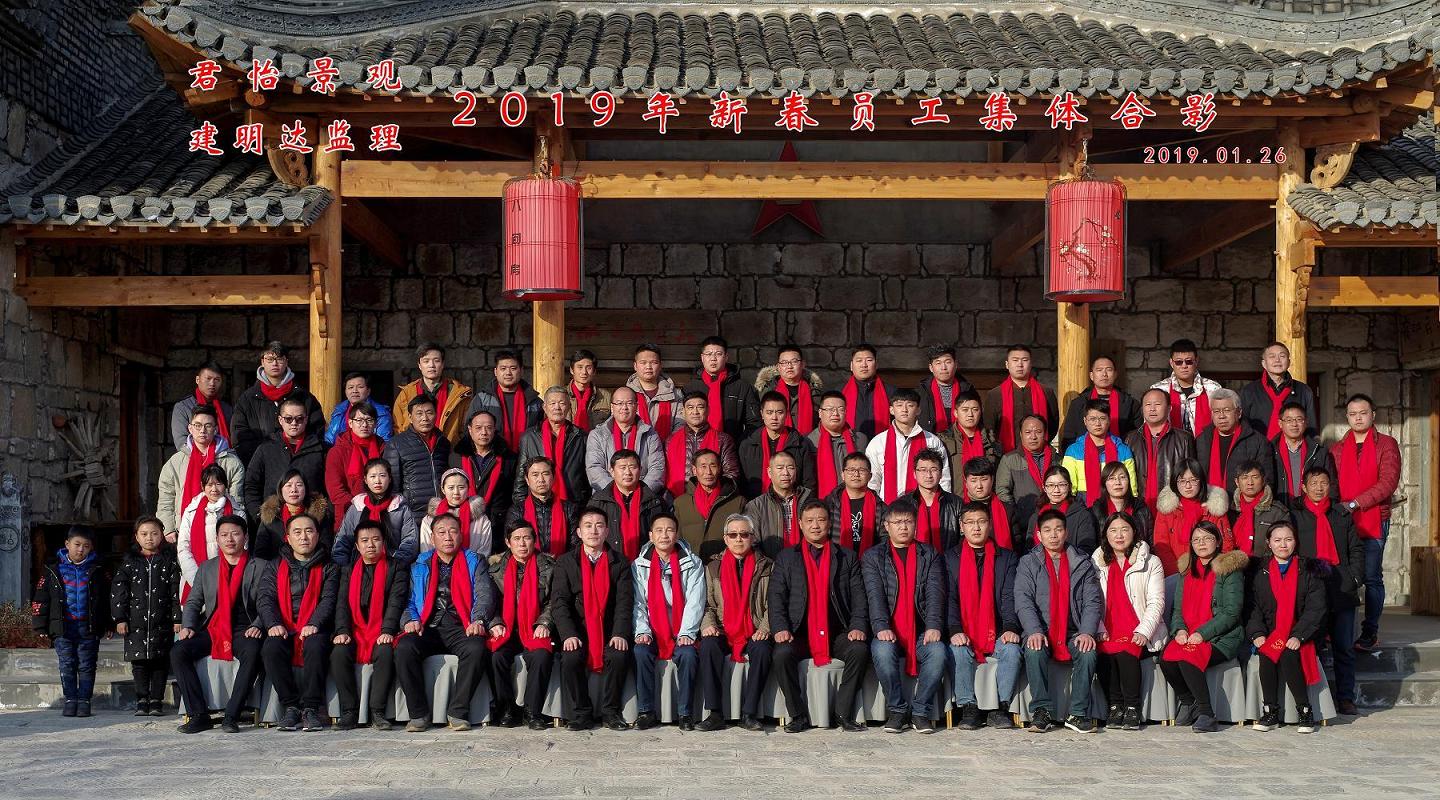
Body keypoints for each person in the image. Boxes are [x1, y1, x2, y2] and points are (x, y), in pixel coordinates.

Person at [768, 500, 870, 732]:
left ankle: (842, 713)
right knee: (782, 655)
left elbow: (859, 597)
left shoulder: (846, 557)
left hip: (837, 631)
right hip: (799, 631)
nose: (815, 525)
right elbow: (776, 597)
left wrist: (857, 626)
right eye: (810, 521)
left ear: (829, 523)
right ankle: (798, 715)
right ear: (800, 524)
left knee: (859, 650)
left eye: (821, 520)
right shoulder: (786, 558)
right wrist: (780, 628)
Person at [396, 513, 498, 731]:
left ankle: (458, 712)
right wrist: (411, 620)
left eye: (453, 531)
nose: (448, 537)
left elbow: (484, 595)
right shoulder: (419, 564)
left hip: (461, 625)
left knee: (476, 648)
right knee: (404, 648)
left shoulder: (475, 560)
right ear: (432, 538)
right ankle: (418, 714)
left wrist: (478, 619)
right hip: (427, 625)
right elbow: (408, 600)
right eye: (441, 532)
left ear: (461, 535)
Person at [171, 515, 266, 733]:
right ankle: (198, 714)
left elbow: (268, 602)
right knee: (179, 651)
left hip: (245, 628)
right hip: (213, 628)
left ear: (245, 537)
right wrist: (188, 626)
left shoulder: (260, 566)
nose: (229, 539)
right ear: (217, 539)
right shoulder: (207, 568)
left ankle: (232, 715)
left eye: (235, 534)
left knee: (253, 652)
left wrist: (258, 625)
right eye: (224, 535)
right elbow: (194, 602)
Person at [1013, 509, 1102, 733]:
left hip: (1073, 631)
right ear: (1039, 535)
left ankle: (1077, 713)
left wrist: (1087, 632)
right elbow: (1023, 600)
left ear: (1066, 532)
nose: (1053, 535)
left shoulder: (1082, 562)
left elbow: (1092, 601)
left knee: (1087, 651)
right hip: (1041, 630)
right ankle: (1041, 711)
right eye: (1047, 530)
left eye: (1058, 529)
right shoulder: (1028, 563)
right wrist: (1034, 630)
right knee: (1034, 649)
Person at [862, 501, 946, 733]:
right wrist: (881, 626)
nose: (903, 527)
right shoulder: (873, 556)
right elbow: (874, 595)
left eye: (908, 521)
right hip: (888, 629)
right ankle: (897, 710)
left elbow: (935, 593)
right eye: (897, 522)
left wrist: (933, 625)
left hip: (921, 630)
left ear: (915, 524)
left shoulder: (929, 554)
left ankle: (920, 711)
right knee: (882, 651)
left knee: (938, 652)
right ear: (886, 526)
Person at [1158, 520, 1248, 733]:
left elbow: (1231, 612)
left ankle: (1207, 713)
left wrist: (1201, 633)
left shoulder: (1229, 570)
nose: (1202, 543)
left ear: (1217, 541)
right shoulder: (1186, 570)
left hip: (1222, 637)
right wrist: (1179, 629)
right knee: (1166, 658)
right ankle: (1188, 701)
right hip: (1189, 632)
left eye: (1207, 538)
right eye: (1196, 539)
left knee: (1188, 657)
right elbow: (1177, 609)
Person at [549, 508, 635, 731]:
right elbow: (559, 602)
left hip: (609, 629)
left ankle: (610, 712)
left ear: (607, 531)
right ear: (579, 532)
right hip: (578, 630)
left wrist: (619, 633)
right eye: (588, 526)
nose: (593, 531)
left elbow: (624, 603)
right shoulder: (566, 562)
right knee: (570, 658)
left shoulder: (620, 562)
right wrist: (568, 634)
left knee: (618, 655)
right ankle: (581, 713)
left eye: (599, 526)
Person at [1291, 466, 1364, 715]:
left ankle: (1345, 697)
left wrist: (1354, 578)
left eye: (1324, 483)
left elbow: (1356, 549)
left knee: (1344, 646)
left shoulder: (1341, 514)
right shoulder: (1296, 516)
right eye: (1314, 483)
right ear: (1303, 487)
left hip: (1341, 586)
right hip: (1312, 591)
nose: (1319, 488)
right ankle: (1317, 699)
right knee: (1313, 645)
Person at [944, 502, 1022, 730]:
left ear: (990, 524)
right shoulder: (950, 558)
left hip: (996, 629)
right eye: (970, 522)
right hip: (964, 629)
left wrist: (1010, 627)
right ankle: (969, 707)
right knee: (958, 650)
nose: (976, 527)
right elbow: (948, 599)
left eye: (981, 522)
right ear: (961, 527)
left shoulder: (1006, 558)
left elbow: (1009, 597)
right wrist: (955, 630)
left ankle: (1001, 708)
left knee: (1012, 650)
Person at [258, 514, 339, 732]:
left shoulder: (329, 566)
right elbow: (265, 598)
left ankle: (311, 708)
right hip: (285, 626)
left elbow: (329, 599)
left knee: (316, 644)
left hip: (316, 627)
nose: (304, 537)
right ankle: (291, 707)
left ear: (318, 535)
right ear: (288, 537)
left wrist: (315, 623)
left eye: (309, 531)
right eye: (297, 532)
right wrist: (273, 623)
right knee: (271, 647)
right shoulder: (275, 566)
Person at [1333, 394, 1400, 652]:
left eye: (1363, 413)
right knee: (1343, 575)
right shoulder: (1338, 449)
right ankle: (1338, 629)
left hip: (1373, 519)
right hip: (1344, 521)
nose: (1358, 418)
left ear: (1373, 415)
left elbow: (1388, 483)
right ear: (1347, 417)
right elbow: (1332, 484)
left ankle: (1370, 631)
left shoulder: (1387, 444)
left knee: (1371, 577)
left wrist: (1354, 504)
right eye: (1353, 414)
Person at [1245, 522, 1326, 734]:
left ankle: (1305, 711)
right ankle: (1270, 712)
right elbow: (1252, 607)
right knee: (1267, 653)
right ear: (1269, 543)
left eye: (1288, 539)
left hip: (1301, 632)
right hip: (1270, 633)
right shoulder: (1258, 571)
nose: (1283, 545)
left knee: (1289, 654)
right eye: (1277, 540)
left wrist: (1299, 635)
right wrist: (1257, 633)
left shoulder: (1309, 569)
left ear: (1295, 542)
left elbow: (1316, 608)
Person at [696, 513, 773, 732]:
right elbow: (707, 604)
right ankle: (715, 713)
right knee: (708, 646)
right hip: (723, 628)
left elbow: (774, 604)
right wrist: (708, 625)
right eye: (733, 535)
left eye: (744, 534)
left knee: (763, 650)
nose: (739, 539)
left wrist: (765, 628)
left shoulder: (767, 566)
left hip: (754, 628)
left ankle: (749, 713)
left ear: (753, 537)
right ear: (725, 538)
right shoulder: (713, 567)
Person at [329, 521, 408, 730]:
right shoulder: (348, 570)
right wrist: (342, 631)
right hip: (355, 630)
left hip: (383, 629)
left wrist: (387, 630)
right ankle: (349, 711)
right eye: (364, 540)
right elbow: (342, 604)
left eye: (375, 539)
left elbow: (396, 602)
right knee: (339, 652)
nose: (370, 545)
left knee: (385, 651)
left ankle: (377, 711)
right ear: (357, 545)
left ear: (384, 542)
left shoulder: (396, 567)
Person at [1091, 512, 1166, 731]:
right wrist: (1098, 627)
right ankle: (1115, 706)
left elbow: (1156, 602)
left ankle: (1132, 707)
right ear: (1106, 535)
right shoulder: (1096, 562)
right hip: (1107, 627)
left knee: (1126, 651)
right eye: (1113, 530)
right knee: (1104, 651)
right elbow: (1091, 601)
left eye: (1124, 529)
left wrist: (1144, 631)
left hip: (1139, 626)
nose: (1119, 535)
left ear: (1134, 532)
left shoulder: (1151, 562)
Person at [632, 513, 706, 729]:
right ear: (650, 536)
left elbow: (695, 601)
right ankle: (646, 711)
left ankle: (685, 713)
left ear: (677, 534)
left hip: (681, 628)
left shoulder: (692, 563)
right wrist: (642, 631)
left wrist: (687, 633)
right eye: (659, 530)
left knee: (688, 655)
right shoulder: (639, 565)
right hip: (653, 629)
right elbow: (638, 602)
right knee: (640, 652)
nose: (664, 535)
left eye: (670, 530)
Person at [486, 521, 557, 730]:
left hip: (534, 626)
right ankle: (507, 709)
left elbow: (555, 601)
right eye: (516, 539)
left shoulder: (549, 568)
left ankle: (532, 712)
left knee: (541, 656)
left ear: (534, 541)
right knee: (496, 656)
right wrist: (495, 623)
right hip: (507, 627)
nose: (522, 543)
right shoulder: (495, 571)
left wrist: (544, 622)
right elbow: (489, 603)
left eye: (527, 538)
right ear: (508, 542)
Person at [32, 526, 107, 718]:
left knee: (87, 664)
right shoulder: (53, 570)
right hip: (63, 628)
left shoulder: (97, 570)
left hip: (88, 627)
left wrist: (108, 624)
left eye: (86, 546)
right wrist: (40, 625)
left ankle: (84, 700)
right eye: (77, 544)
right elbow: (41, 598)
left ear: (91, 548)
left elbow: (105, 599)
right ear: (67, 544)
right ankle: (70, 699)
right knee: (67, 664)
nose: (81, 549)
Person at [111, 516, 182, 716]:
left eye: (154, 533)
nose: (149, 538)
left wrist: (177, 618)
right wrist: (120, 619)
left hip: (162, 622)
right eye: (144, 534)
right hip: (135, 623)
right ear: (136, 537)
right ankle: (142, 700)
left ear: (162, 535)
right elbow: (119, 592)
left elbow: (175, 592)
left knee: (160, 663)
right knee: (139, 663)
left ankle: (156, 701)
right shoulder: (129, 564)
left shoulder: (169, 562)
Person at [157, 404, 244, 543]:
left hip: (222, 533)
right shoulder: (176, 462)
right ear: (190, 428)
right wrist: (168, 528)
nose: (202, 430)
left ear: (216, 429)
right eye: (197, 425)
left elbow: (237, 500)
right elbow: (166, 498)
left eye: (208, 426)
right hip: (184, 531)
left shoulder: (231, 462)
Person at [231, 341, 324, 465]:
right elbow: (239, 434)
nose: (274, 363)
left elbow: (316, 431)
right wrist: (260, 459)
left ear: (286, 362)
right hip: (259, 464)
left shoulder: (303, 396)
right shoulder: (247, 398)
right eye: (270, 359)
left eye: (279, 359)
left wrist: (299, 458)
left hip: (298, 464)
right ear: (262, 362)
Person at [243, 395, 326, 520]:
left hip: (311, 520)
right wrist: (259, 516)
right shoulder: (266, 448)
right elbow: (251, 485)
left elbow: (330, 488)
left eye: (299, 419)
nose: (294, 423)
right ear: (280, 420)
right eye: (288, 419)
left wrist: (323, 517)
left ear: (306, 420)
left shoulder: (320, 449)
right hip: (273, 519)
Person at [866, 388, 950, 504]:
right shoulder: (878, 442)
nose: (904, 410)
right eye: (899, 405)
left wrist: (943, 505)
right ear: (891, 410)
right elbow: (872, 481)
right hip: (887, 508)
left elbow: (943, 478)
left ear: (918, 410)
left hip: (926, 506)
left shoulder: (932, 441)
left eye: (910, 405)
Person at [332, 458, 421, 567]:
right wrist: (345, 568)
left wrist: (395, 566)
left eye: (382, 476)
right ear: (365, 480)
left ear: (390, 478)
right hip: (358, 568)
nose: (377, 481)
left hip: (392, 567)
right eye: (372, 476)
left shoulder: (400, 508)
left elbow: (410, 541)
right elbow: (343, 541)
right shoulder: (356, 508)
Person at [1152, 459, 1232, 576]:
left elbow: (1226, 545)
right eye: (1182, 481)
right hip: (1175, 574)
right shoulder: (1167, 508)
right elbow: (1161, 545)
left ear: (1201, 480)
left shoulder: (1215, 507)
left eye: (1193, 480)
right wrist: (1177, 574)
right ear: (1175, 482)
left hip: (1209, 574)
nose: (1188, 486)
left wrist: (1210, 573)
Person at [513, 386, 591, 507]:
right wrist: (522, 507)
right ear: (544, 407)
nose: (557, 407)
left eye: (562, 403)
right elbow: (521, 478)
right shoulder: (529, 437)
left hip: (573, 503)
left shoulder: (580, 437)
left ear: (569, 407)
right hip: (538, 504)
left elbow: (586, 476)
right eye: (552, 403)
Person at [588, 449, 672, 560]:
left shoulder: (655, 502)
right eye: (622, 467)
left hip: (647, 563)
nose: (628, 472)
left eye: (632, 467)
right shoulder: (598, 502)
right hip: (610, 563)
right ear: (612, 471)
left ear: (640, 470)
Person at [1125, 388, 1197, 509]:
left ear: (1169, 408)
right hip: (1138, 506)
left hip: (1173, 506)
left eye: (1157, 404)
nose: (1152, 409)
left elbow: (1191, 476)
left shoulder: (1184, 439)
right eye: (1148, 404)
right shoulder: (1130, 439)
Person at [585, 386, 665, 496]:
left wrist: (640, 493)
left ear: (636, 406)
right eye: (619, 403)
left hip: (643, 496)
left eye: (629, 403)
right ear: (612, 407)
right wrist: (616, 493)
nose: (624, 407)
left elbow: (657, 468)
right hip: (607, 496)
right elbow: (594, 468)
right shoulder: (597, 435)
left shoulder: (650, 434)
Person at [177, 464, 242, 599]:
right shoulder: (191, 511)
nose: (214, 489)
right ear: (202, 486)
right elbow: (183, 548)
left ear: (225, 485)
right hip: (196, 580)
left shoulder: (237, 512)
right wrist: (198, 582)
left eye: (218, 484)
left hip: (230, 581)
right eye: (209, 485)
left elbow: (242, 547)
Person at [739, 390, 818, 499]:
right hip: (755, 503)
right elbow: (742, 483)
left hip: (792, 502)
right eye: (769, 412)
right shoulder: (748, 444)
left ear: (786, 414)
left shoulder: (799, 443)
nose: (774, 417)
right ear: (762, 414)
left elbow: (808, 482)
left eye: (779, 412)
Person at [683, 336, 761, 442]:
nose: (713, 358)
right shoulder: (690, 388)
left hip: (733, 446)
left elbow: (754, 423)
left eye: (718, 354)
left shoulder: (743, 387)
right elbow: (683, 422)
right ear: (702, 357)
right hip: (697, 447)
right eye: (708, 354)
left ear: (726, 357)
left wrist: (742, 446)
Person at [1195, 388, 1274, 491]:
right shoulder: (1202, 440)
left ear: (1239, 412)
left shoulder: (1257, 441)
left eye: (1227, 410)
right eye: (1216, 411)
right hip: (1208, 499)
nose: (1221, 416)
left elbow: (1266, 480)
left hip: (1242, 500)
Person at [393, 343, 474, 445]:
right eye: (426, 361)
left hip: (449, 450)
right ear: (419, 365)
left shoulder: (459, 394)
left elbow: (466, 428)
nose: (431, 365)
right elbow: (398, 427)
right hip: (413, 450)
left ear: (443, 364)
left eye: (436, 361)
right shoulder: (407, 394)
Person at [664, 391, 740, 498]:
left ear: (708, 410)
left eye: (700, 407)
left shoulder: (723, 440)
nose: (695, 412)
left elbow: (731, 474)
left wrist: (717, 498)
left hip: (713, 498)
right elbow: (665, 474)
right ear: (683, 412)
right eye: (690, 407)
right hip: (678, 500)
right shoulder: (670, 440)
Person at [385, 394, 451, 517]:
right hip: (412, 513)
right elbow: (392, 486)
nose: (425, 418)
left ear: (436, 415)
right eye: (419, 413)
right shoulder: (396, 444)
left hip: (442, 510)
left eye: (429, 413)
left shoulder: (443, 442)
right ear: (410, 417)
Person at [1060, 399, 1137, 504]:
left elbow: (1131, 484)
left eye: (1102, 418)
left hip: (1117, 504)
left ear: (1109, 420)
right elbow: (1068, 484)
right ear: (1085, 421)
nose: (1098, 423)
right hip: (1082, 504)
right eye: (1092, 419)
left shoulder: (1123, 450)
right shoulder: (1073, 450)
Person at [674, 449, 746, 561]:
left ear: (719, 469)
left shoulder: (737, 502)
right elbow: (676, 541)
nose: (708, 472)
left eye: (713, 466)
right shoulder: (681, 503)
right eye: (703, 466)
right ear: (694, 470)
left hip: (724, 564)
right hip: (691, 566)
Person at [451, 409, 516, 532]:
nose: (484, 432)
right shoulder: (456, 457)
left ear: (494, 429)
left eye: (488, 428)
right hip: (463, 521)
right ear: (470, 430)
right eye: (478, 428)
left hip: (498, 523)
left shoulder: (509, 458)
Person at [984, 345, 1058, 451]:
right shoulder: (995, 394)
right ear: (1007, 364)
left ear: (1031, 364)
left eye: (1025, 360)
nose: (1020, 364)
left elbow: (1053, 424)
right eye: (1015, 360)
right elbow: (989, 427)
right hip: (1006, 453)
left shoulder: (1046, 392)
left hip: (1039, 453)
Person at [468, 349, 543, 453]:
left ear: (521, 371)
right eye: (503, 368)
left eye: (513, 368)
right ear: (496, 372)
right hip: (493, 456)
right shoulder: (482, 400)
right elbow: (469, 430)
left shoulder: (534, 401)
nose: (508, 373)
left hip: (527, 457)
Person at [1240, 342, 1318, 441]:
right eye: (1272, 356)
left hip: (1293, 446)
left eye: (1282, 356)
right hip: (1257, 447)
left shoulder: (1304, 390)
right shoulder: (1250, 391)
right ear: (1264, 363)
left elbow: (1311, 426)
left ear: (1288, 362)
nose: (1277, 360)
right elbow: (1243, 425)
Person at [743, 451, 814, 557]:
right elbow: (752, 544)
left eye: (790, 468)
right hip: (771, 564)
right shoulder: (756, 506)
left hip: (806, 561)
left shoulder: (808, 500)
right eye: (780, 468)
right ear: (769, 472)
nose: (786, 473)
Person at [1060, 355, 1142, 448]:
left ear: (1115, 374)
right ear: (1091, 375)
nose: (1104, 374)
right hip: (1083, 454)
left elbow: (1137, 437)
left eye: (1109, 370)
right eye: (1099, 370)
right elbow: (1069, 436)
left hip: (1121, 453)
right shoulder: (1078, 404)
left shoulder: (1130, 403)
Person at [507, 456, 581, 557]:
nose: (541, 480)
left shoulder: (569, 509)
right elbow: (514, 546)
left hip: (562, 564)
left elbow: (575, 545)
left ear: (553, 477)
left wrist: (561, 563)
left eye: (545, 474)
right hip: (528, 564)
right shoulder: (517, 510)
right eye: (535, 475)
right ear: (527, 480)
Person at [254, 469, 332, 561]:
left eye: (299, 485)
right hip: (276, 567)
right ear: (280, 490)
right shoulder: (270, 516)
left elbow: (325, 547)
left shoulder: (318, 516)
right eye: (288, 485)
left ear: (306, 488)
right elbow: (260, 553)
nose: (294, 490)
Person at [1149, 339, 1221, 437]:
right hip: (1170, 444)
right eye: (1179, 362)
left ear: (1196, 361)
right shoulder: (1159, 390)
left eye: (1189, 361)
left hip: (1205, 443)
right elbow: (1150, 424)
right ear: (1171, 363)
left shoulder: (1213, 389)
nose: (1184, 366)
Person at [325, 400, 385, 512]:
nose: (364, 425)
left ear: (376, 423)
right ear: (350, 423)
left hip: (381, 508)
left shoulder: (383, 448)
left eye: (369, 420)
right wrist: (359, 505)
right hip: (349, 511)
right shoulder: (337, 452)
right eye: (359, 420)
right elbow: (336, 490)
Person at [808, 390, 869, 499]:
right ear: (820, 413)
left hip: (856, 499)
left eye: (840, 409)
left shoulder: (860, 439)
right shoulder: (809, 441)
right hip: (822, 502)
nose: (835, 413)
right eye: (830, 409)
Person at [1025, 467, 1099, 556]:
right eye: (1051, 485)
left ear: (1069, 487)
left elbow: (1087, 549)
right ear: (1044, 488)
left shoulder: (1082, 515)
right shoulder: (1036, 516)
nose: (1056, 490)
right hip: (1038, 563)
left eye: (1062, 485)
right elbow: (1028, 549)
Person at [938, 390, 998, 498]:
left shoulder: (991, 439)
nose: (970, 414)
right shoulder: (944, 440)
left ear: (981, 411)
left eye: (975, 410)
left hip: (985, 501)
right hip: (955, 500)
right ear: (955, 413)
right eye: (965, 410)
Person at [421, 468, 494, 557]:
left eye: (461, 487)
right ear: (443, 489)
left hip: (472, 564)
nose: (456, 492)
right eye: (451, 488)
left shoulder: (481, 520)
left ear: (468, 488)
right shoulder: (429, 520)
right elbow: (426, 553)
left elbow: (484, 553)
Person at [1273, 401, 1334, 506]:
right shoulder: (1270, 450)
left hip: (1311, 509)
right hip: (1279, 508)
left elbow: (1331, 483)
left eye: (1299, 419)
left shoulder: (1319, 451)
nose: (1294, 424)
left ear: (1306, 423)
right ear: (1280, 423)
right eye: (1289, 420)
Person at [994, 415, 1057, 516]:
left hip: (1054, 516)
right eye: (1028, 432)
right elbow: (1002, 491)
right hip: (1023, 519)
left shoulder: (1056, 459)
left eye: (1038, 432)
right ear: (1021, 434)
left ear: (1045, 433)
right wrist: (1016, 514)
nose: (1033, 437)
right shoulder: (1009, 460)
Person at [1229, 460, 1292, 558]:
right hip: (1234, 563)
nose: (1250, 482)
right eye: (1245, 477)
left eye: (1255, 477)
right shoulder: (1229, 510)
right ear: (1237, 482)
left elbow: (1285, 545)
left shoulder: (1277, 512)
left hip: (1265, 564)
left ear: (1263, 480)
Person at [756, 344, 823, 435]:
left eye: (794, 361)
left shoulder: (814, 392)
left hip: (808, 441)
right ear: (778, 367)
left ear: (803, 364)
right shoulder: (766, 392)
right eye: (784, 362)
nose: (789, 366)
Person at [825, 452, 884, 554]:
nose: (856, 474)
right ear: (843, 475)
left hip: (870, 560)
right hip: (837, 559)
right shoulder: (830, 503)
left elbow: (884, 539)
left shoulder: (880, 506)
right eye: (851, 470)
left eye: (862, 470)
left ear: (870, 476)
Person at [905, 449, 962, 553]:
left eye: (934, 469)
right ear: (914, 474)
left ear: (941, 474)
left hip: (948, 560)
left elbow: (964, 539)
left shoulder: (957, 504)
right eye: (923, 470)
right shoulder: (903, 504)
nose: (929, 475)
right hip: (913, 560)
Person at [170, 361, 234, 452]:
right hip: (193, 457)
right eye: (208, 378)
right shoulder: (183, 407)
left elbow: (234, 438)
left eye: (217, 380)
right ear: (197, 380)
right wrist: (208, 455)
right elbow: (181, 442)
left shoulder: (226, 408)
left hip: (224, 456)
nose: (212, 383)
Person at [1088, 461, 1155, 546]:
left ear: (1129, 481)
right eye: (1112, 478)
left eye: (1122, 477)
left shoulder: (1142, 510)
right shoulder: (1094, 513)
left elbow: (1151, 543)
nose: (1118, 482)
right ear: (1104, 483)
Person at [628, 343, 682, 442]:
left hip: (667, 447)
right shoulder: (626, 394)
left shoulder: (675, 395)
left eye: (654, 362)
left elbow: (681, 424)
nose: (648, 367)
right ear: (635, 366)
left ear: (660, 365)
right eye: (643, 363)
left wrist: (668, 445)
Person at [838, 344, 894, 438]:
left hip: (881, 444)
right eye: (859, 360)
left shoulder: (890, 392)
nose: (864, 365)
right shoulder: (840, 392)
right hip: (849, 443)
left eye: (869, 360)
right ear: (851, 366)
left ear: (876, 365)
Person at [916, 344, 974, 435]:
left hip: (962, 440)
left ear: (955, 364)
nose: (943, 367)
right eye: (938, 363)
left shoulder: (967, 390)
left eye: (948, 362)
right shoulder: (921, 392)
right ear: (931, 368)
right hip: (929, 440)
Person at [325, 372, 394, 444]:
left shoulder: (381, 413)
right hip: (341, 449)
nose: (354, 391)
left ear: (368, 391)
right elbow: (329, 439)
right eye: (350, 387)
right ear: (345, 391)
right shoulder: (339, 410)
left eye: (360, 387)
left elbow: (384, 443)